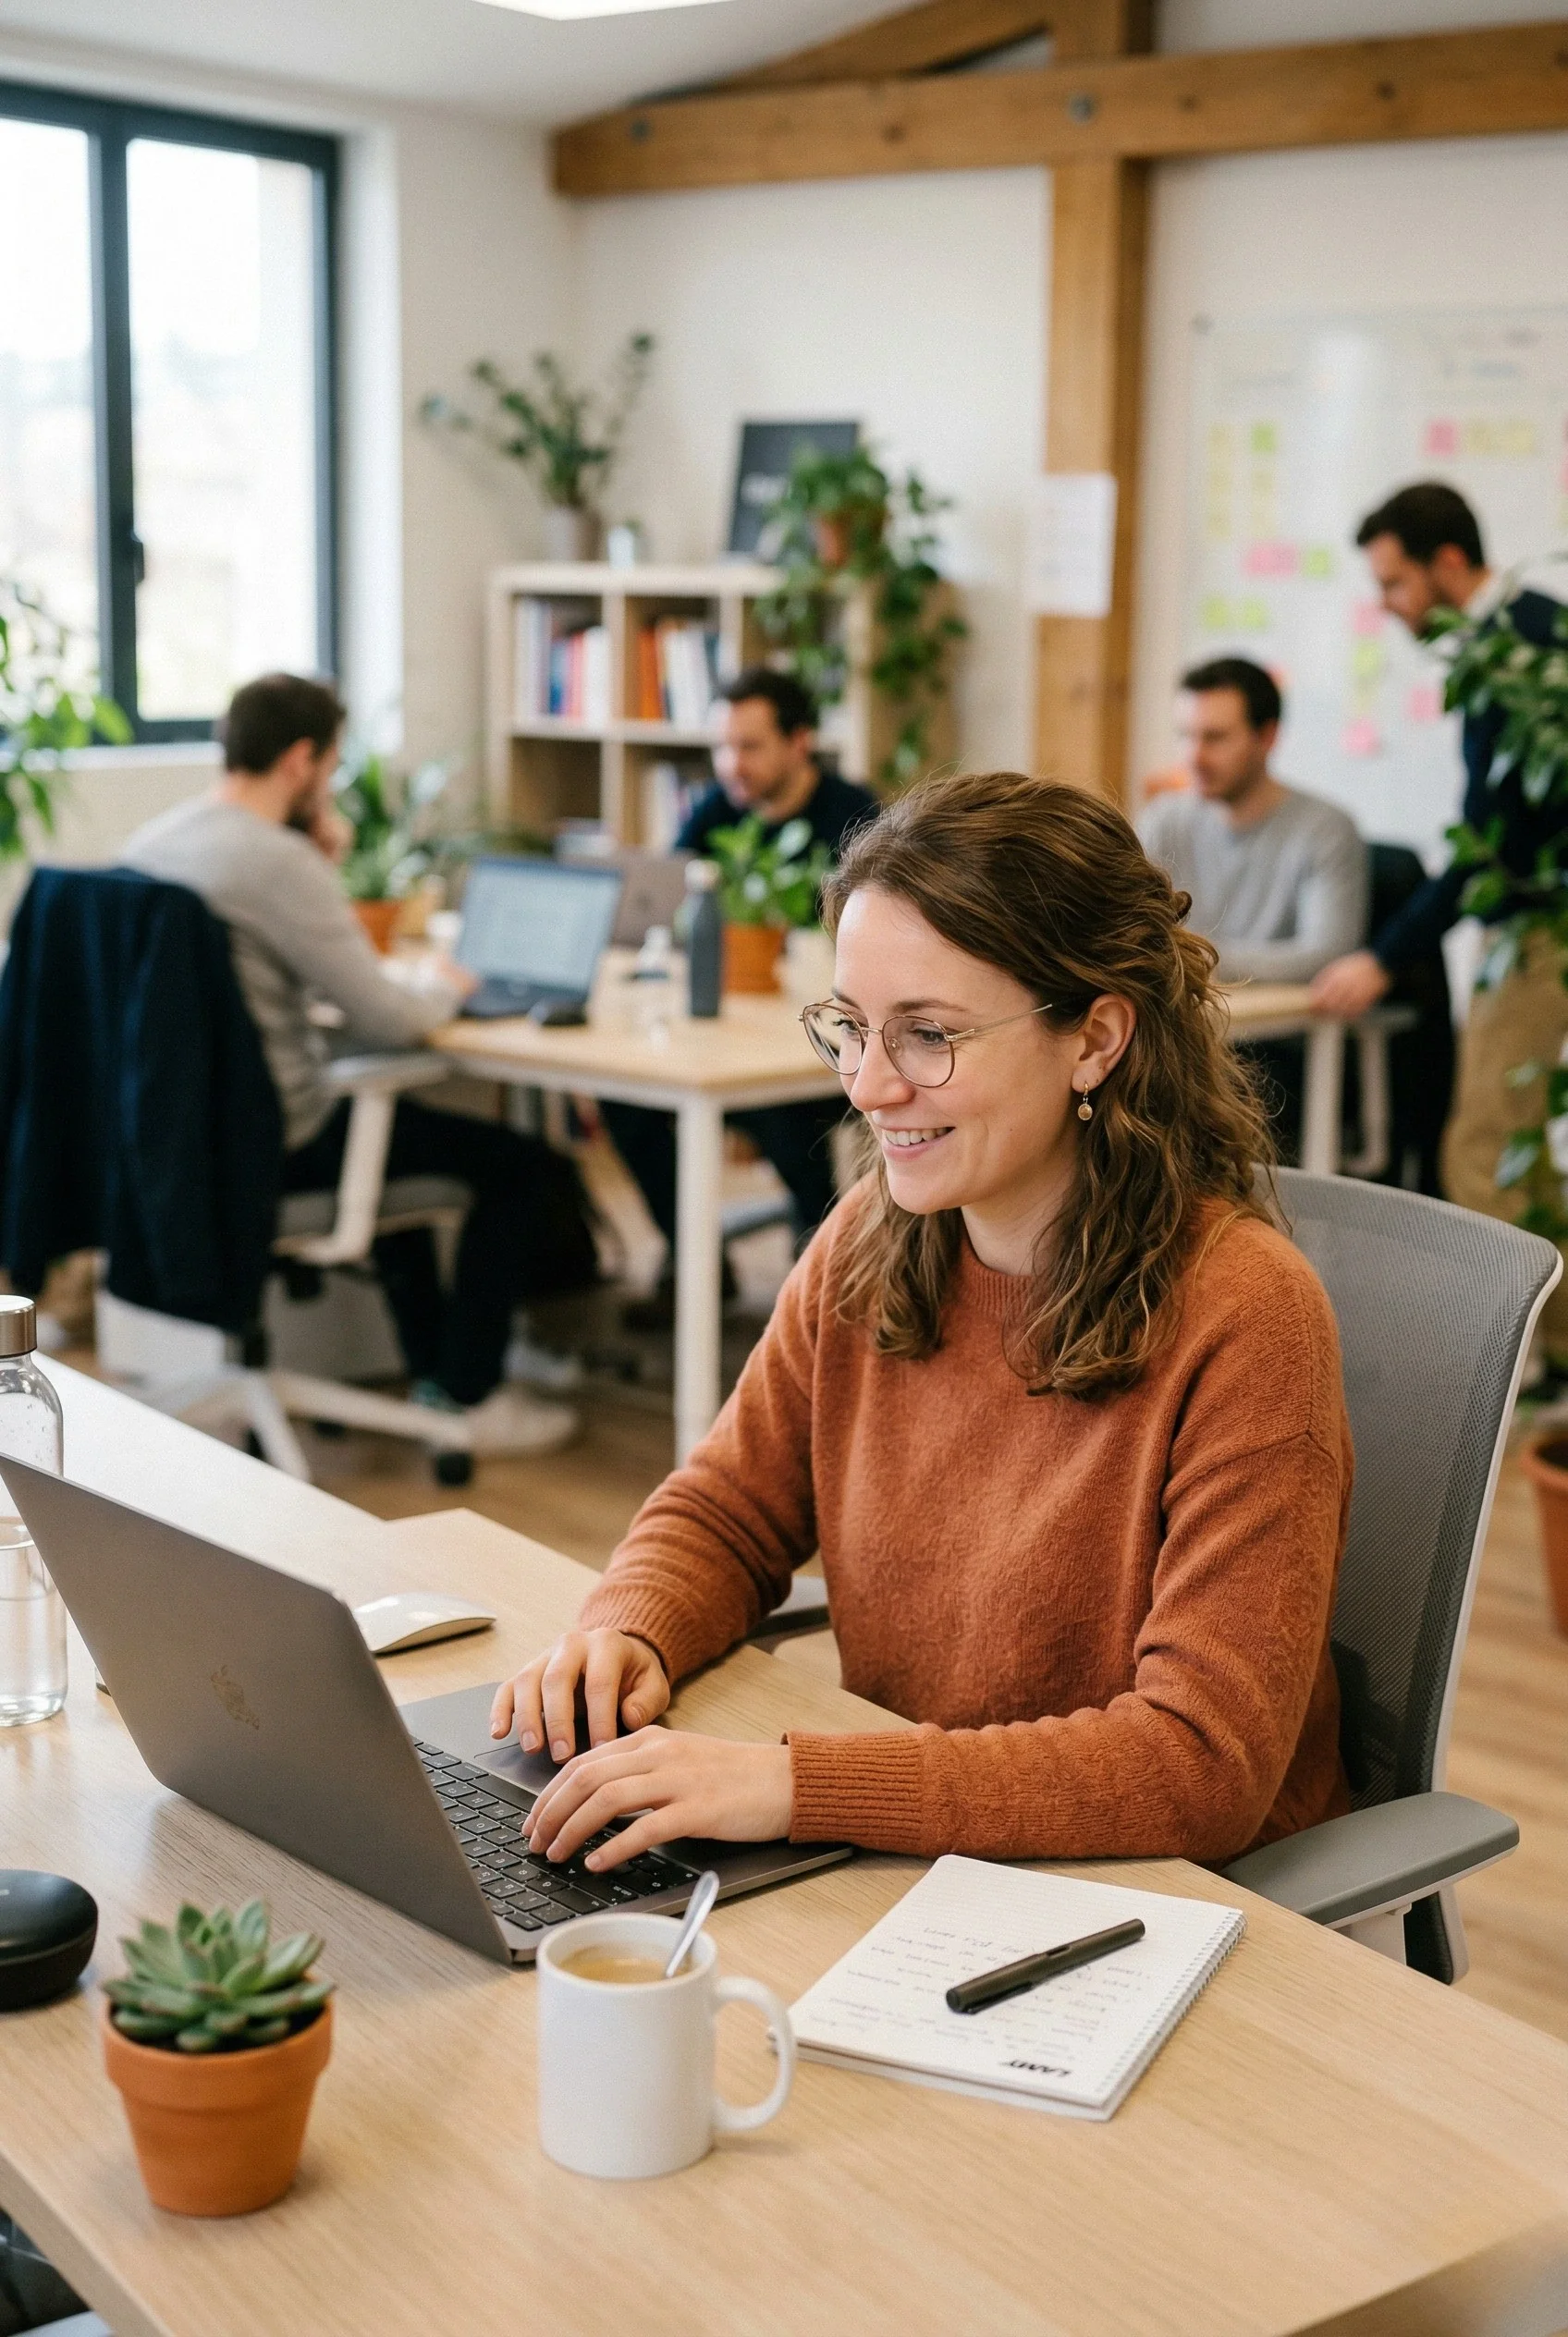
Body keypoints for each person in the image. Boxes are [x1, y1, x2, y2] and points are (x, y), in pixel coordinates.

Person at [487, 771, 1353, 1877]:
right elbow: (729, 1504)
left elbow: (1196, 1763)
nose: (867, 1085)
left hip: (1162, 1900)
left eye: (927, 1035)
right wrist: (626, 1627)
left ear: (1093, 1040)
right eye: (850, 1027)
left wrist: (796, 1782)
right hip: (915, 1850)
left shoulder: (1247, 1313)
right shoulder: (873, 1238)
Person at [121, 672, 597, 1453]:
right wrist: (445, 984)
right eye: (333, 768)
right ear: (303, 763)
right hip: (274, 1151)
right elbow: (388, 1016)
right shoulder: (275, 860)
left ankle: (435, 1371)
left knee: (390, 1150)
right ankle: (473, 1397)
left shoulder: (153, 845)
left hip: (175, 1152)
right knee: (514, 1165)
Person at [1311, 483, 1568, 1359]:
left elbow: (1492, 839)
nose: (1386, 607)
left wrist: (1386, 956)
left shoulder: (1519, 647)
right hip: (1532, 922)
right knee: (1522, 1153)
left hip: (1542, 927)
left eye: (1395, 584)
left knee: (1485, 1146)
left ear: (1448, 564)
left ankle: (1511, 1366)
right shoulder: (1523, 634)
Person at [603, 667, 877, 1327]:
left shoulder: (858, 819)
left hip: (822, 1035)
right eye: (723, 747)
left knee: (784, 1118)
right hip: (735, 1019)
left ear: (800, 741)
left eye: (750, 747)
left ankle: (820, 1295)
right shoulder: (716, 812)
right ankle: (695, 1262)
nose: (732, 765)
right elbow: (664, 904)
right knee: (626, 1103)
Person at [1139, 656, 1367, 1160]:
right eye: (1186, 735)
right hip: (1180, 1034)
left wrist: (1194, 952)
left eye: (1215, 738)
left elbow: (1324, 953)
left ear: (1267, 737)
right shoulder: (1163, 821)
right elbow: (1130, 930)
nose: (1194, 756)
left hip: (1279, 1052)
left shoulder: (1325, 829)